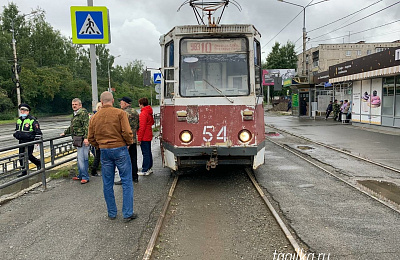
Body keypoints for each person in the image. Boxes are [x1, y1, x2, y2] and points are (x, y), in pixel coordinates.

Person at [88, 91, 137, 221]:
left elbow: (90, 138)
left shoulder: (94, 117)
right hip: (120, 149)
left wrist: (98, 146)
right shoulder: (120, 113)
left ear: (101, 102)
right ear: (113, 101)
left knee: (107, 182)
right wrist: (128, 143)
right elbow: (127, 131)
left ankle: (112, 213)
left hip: (104, 151)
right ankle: (127, 213)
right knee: (126, 180)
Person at [61, 98, 90, 184]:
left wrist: (86, 138)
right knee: (81, 158)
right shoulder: (76, 114)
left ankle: (85, 176)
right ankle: (81, 175)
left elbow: (86, 126)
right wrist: (65, 132)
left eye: (75, 104)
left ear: (80, 105)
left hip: (82, 138)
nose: (74, 106)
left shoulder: (82, 113)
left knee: (82, 158)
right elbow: (73, 126)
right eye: (73, 104)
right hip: (78, 138)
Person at [115, 96, 140, 184]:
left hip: (126, 140)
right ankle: (135, 177)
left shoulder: (123, 113)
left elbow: (122, 128)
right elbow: (138, 126)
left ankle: (125, 179)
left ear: (125, 103)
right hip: (133, 139)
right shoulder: (135, 112)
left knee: (124, 161)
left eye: (121, 102)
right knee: (133, 158)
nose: (120, 104)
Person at [13, 103, 42, 177]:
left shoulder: (32, 120)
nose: (22, 112)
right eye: (21, 110)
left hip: (29, 141)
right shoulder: (19, 120)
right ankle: (24, 171)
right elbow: (17, 130)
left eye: (24, 110)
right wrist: (16, 135)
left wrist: (36, 141)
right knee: (21, 156)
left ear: (28, 111)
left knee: (28, 155)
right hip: (21, 141)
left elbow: (38, 131)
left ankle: (38, 163)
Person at [137, 97, 154, 176]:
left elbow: (142, 127)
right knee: (148, 152)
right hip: (149, 134)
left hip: (144, 135)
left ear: (141, 104)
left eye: (139, 104)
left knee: (145, 153)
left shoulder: (143, 113)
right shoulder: (149, 112)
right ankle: (149, 167)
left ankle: (145, 169)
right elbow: (152, 122)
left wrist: (139, 138)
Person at [90, 102, 102, 176]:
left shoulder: (96, 116)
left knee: (98, 155)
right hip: (98, 139)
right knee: (98, 155)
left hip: (98, 139)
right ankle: (94, 170)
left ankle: (94, 170)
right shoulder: (96, 117)